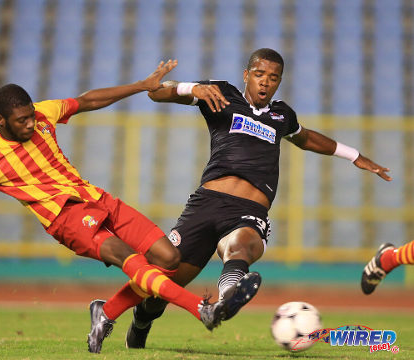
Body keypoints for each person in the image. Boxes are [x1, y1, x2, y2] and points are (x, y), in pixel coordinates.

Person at [0, 60, 258, 354]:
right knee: (130, 258)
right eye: (21, 121)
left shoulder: (42, 114)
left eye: (30, 115)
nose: (30, 123)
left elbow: (87, 101)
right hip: (65, 216)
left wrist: (141, 85)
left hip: (95, 198)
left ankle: (105, 311)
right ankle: (201, 309)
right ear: (0, 121)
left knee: (168, 258)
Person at [125, 48, 392, 349]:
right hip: (206, 204)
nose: (265, 82)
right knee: (164, 287)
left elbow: (305, 138)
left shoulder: (282, 115)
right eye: (260, 75)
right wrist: (191, 88)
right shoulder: (220, 94)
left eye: (273, 78)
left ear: (279, 82)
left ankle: (228, 298)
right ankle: (142, 320)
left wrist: (354, 156)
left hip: (249, 209)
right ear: (246, 75)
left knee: (241, 245)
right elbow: (157, 94)